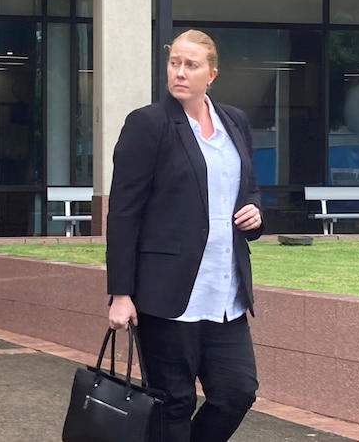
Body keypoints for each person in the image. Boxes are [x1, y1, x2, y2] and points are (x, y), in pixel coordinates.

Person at [106, 29, 264, 442]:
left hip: (224, 294)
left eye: (190, 65)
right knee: (173, 400)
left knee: (236, 391)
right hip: (167, 295)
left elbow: (247, 187)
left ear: (211, 73)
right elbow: (123, 212)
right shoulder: (148, 124)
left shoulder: (234, 121)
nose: (179, 72)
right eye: (174, 62)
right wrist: (121, 292)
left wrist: (255, 213)